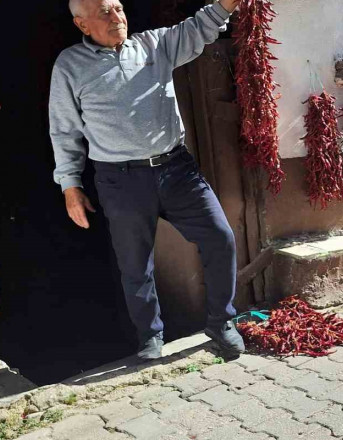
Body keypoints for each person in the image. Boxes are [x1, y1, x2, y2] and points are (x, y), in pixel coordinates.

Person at [49, 0, 245, 360]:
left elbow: (198, 28)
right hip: (119, 179)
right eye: (104, 12)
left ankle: (221, 321)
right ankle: (150, 337)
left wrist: (226, 4)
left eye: (119, 8)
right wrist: (70, 186)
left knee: (220, 237)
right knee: (135, 264)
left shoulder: (153, 45)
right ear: (82, 24)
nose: (116, 17)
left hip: (176, 168)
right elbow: (64, 131)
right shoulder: (70, 66)